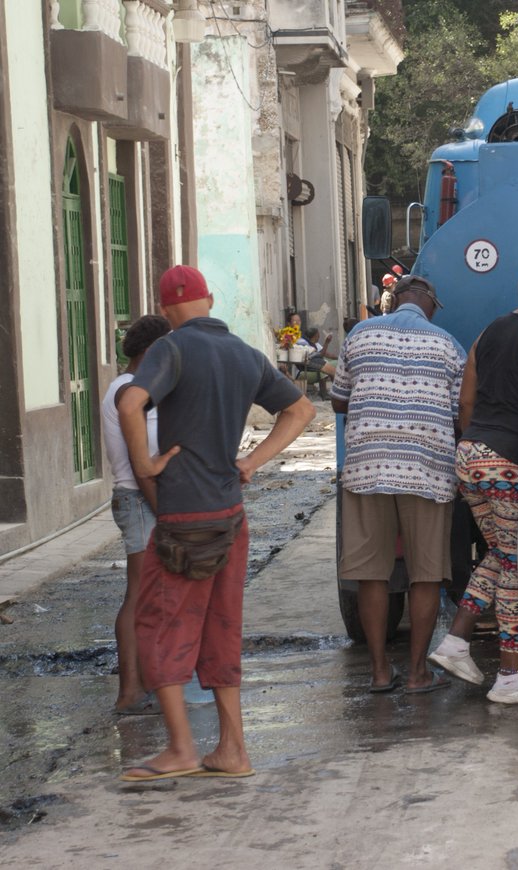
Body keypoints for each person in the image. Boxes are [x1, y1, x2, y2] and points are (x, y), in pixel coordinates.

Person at [117, 266, 314, 781]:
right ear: (208, 299)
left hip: (184, 517)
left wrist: (145, 465)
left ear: (166, 310)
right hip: (230, 516)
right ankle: (232, 749)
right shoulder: (245, 354)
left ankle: (181, 748)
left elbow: (131, 403)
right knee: (222, 627)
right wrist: (251, 462)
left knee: (160, 625)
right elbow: (300, 410)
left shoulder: (171, 348)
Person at [429, 251, 518, 705]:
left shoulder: (487, 332)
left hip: (470, 453)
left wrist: (476, 443)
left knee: (502, 554)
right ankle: (511, 677)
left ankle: (455, 642)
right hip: (510, 460)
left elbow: (466, 403)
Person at [331, 273, 465, 694]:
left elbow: (338, 397)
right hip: (427, 469)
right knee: (426, 575)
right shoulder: (447, 344)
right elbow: (462, 412)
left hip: (366, 467)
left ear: (392, 301)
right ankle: (417, 674)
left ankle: (378, 672)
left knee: (372, 574)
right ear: (430, 306)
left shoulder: (358, 335)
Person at [101, 314, 171, 715]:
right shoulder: (128, 391)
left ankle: (145, 681)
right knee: (139, 595)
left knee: (150, 596)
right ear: (152, 352)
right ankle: (130, 690)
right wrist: (163, 512)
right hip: (138, 498)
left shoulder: (138, 388)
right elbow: (139, 460)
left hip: (147, 497)